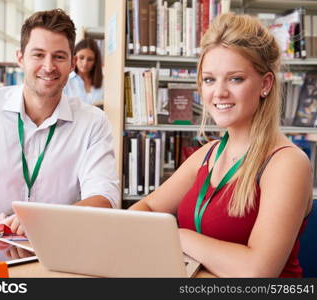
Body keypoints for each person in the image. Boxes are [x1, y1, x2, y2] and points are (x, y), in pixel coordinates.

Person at [129, 13, 313, 278]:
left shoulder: (287, 164)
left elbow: (257, 271)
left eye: (235, 79)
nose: (219, 92)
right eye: (209, 79)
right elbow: (145, 209)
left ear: (265, 84)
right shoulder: (208, 154)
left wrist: (177, 237)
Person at [0, 9, 120, 236]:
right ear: (20, 58)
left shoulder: (92, 121)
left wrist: (45, 220)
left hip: (57, 251)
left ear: (72, 63)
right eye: (38, 55)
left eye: (59, 56)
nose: (48, 67)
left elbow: (105, 195)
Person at [63, 38, 104, 106]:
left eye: (90, 59)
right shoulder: (66, 81)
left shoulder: (104, 82)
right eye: (81, 58)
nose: (85, 63)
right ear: (74, 58)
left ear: (95, 62)